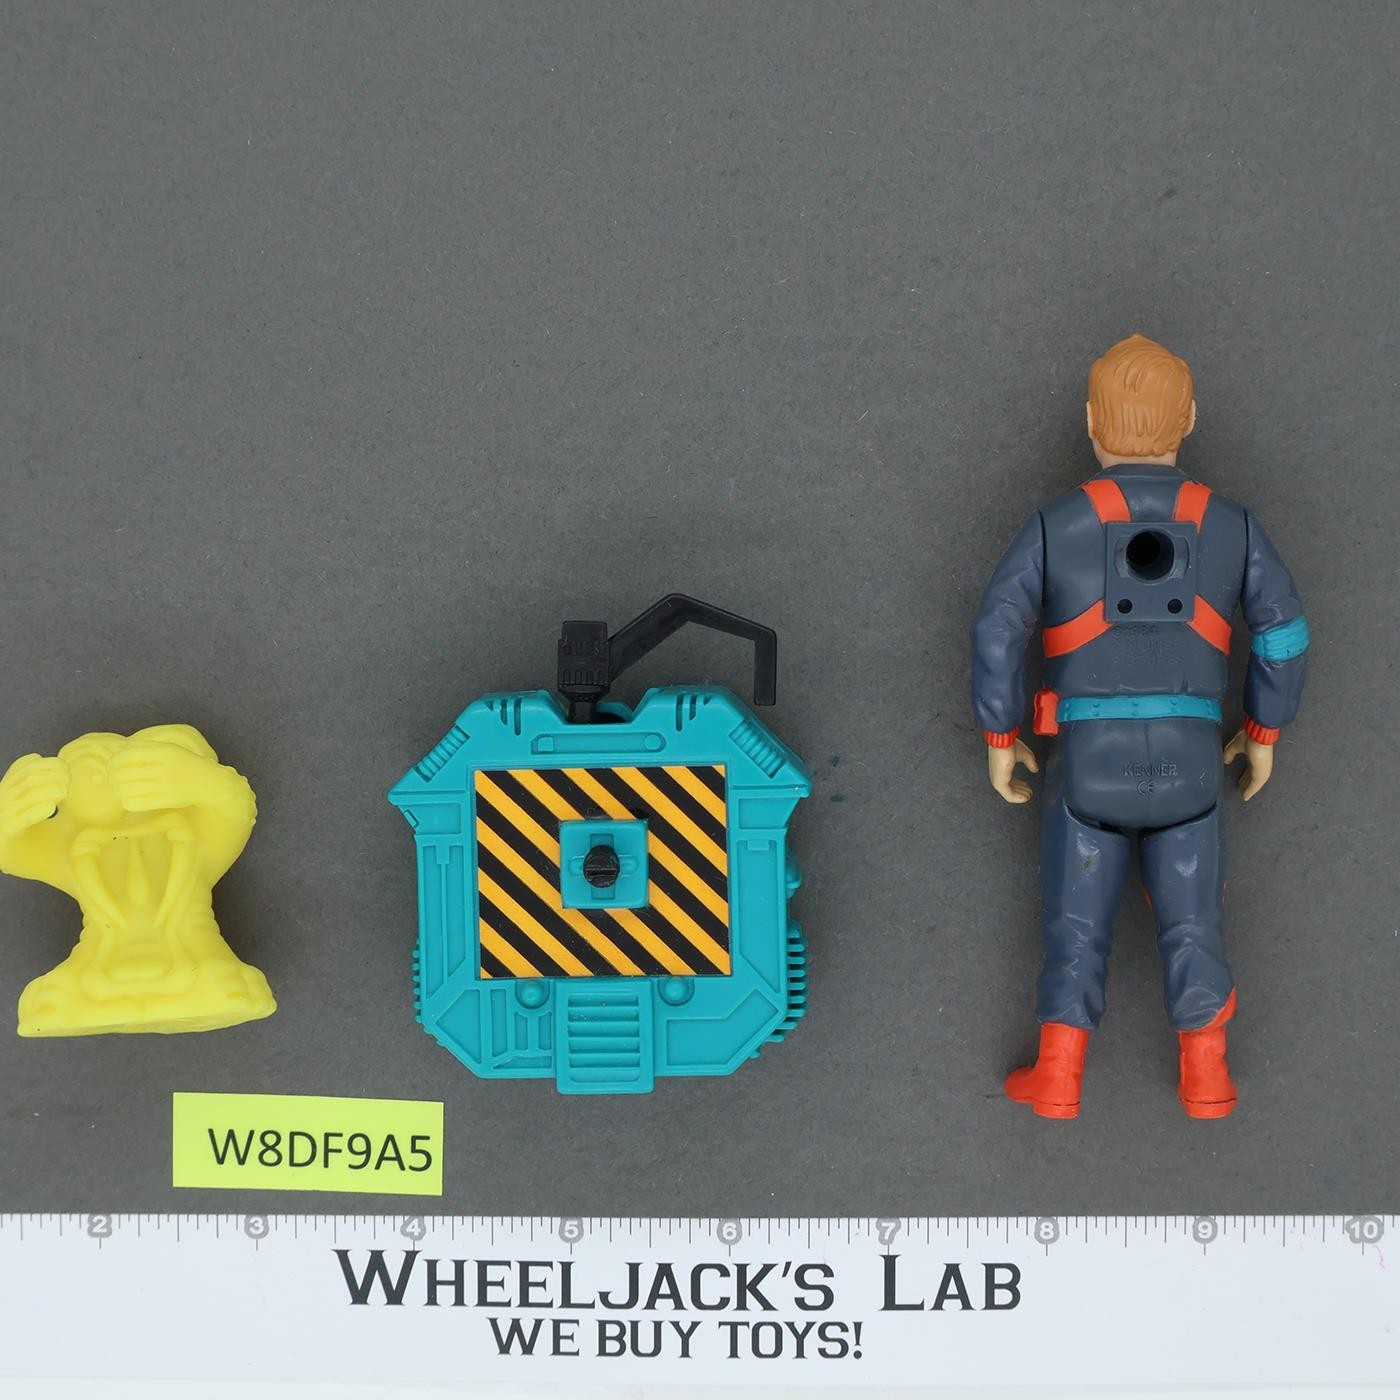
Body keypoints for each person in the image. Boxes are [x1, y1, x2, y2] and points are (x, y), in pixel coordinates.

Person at [970, 334, 1308, 1119]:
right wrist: (1263, 729)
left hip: (1086, 763)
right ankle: (1207, 1077)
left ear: (1092, 423)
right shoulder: (1234, 526)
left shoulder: (1056, 524)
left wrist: (1001, 734)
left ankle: (1058, 1077)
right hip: (1191, 764)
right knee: (1195, 921)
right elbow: (1284, 632)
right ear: (1188, 420)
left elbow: (997, 631)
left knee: (1073, 920)